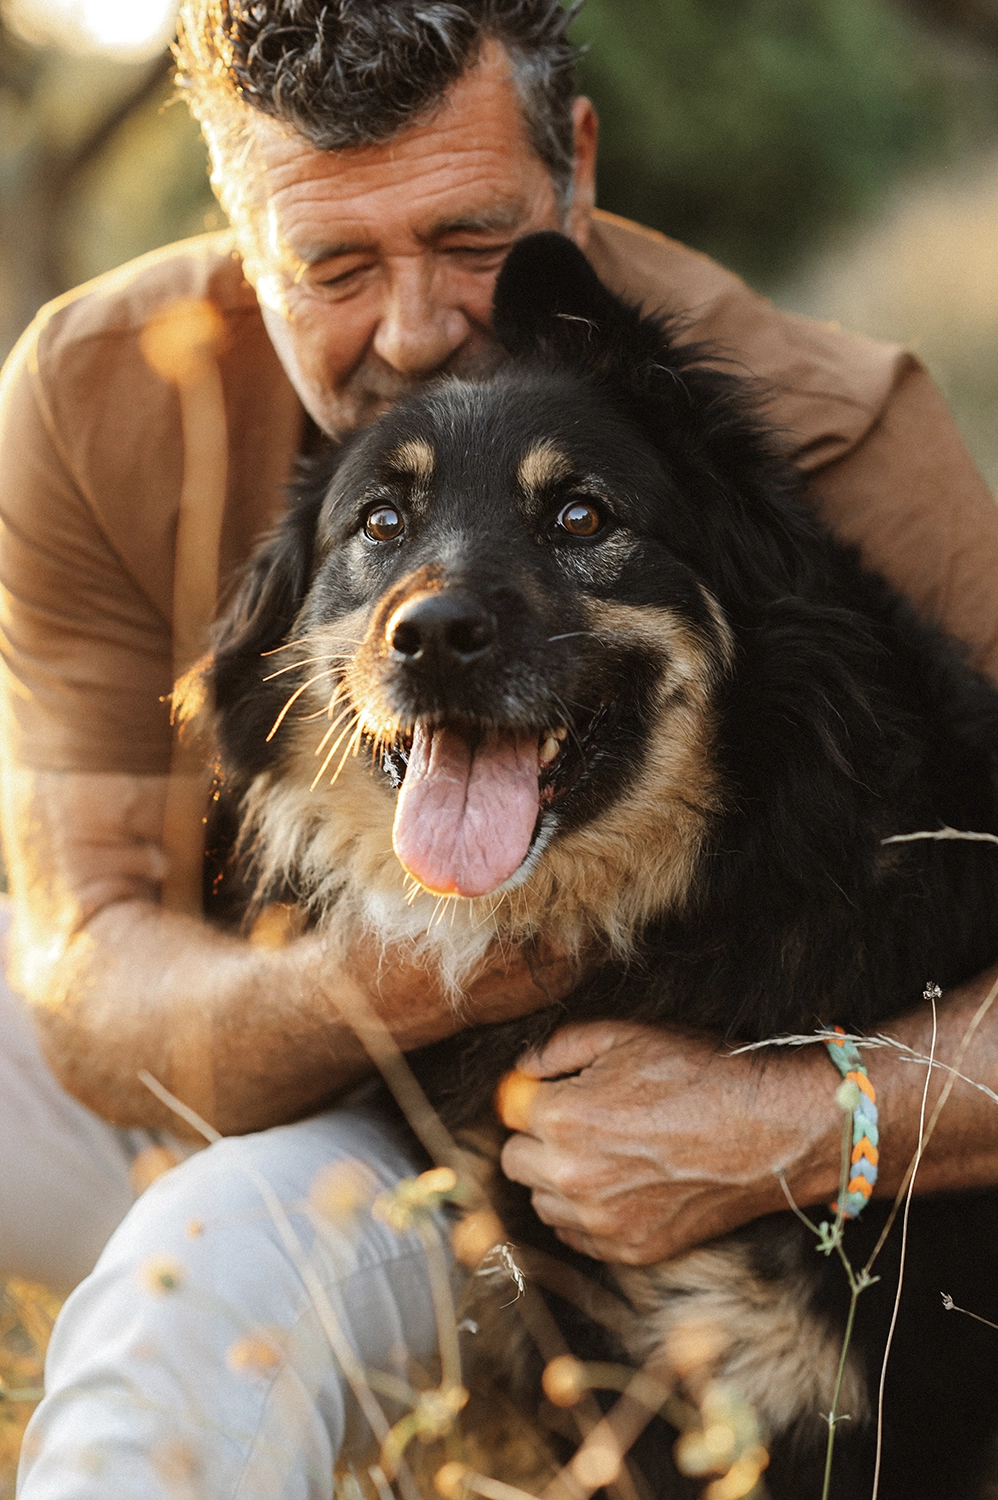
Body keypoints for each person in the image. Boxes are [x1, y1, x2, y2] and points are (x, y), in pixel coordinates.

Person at [2, 1, 998, 1493]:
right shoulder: (93, 387)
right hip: (257, 1032)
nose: (412, 329)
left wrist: (784, 1126)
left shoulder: (832, 430)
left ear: (573, 163)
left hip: (515, 1161)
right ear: (238, 219)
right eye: (333, 264)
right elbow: (83, 963)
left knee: (196, 1277)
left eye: (468, 240)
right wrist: (403, 970)